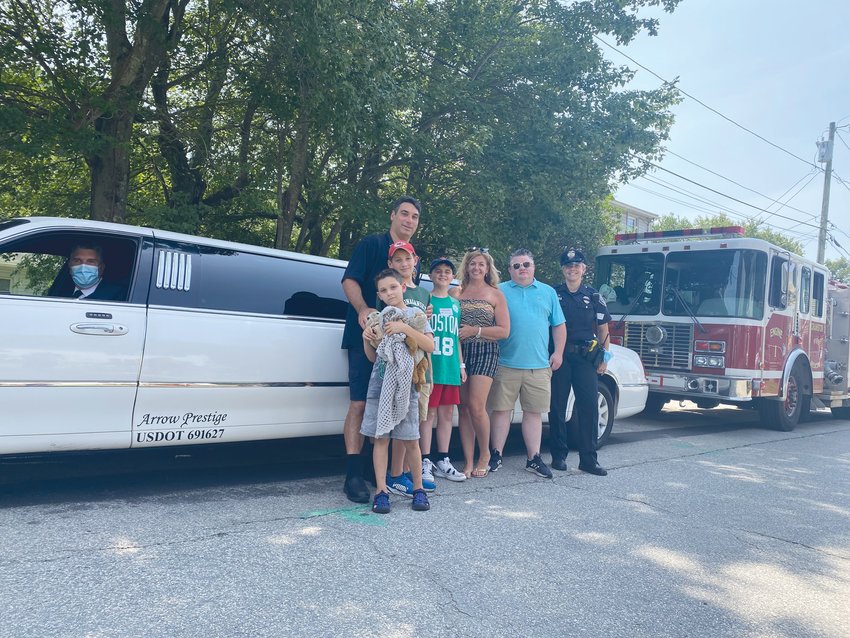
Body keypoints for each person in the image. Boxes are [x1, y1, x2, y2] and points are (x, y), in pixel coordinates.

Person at [340, 196, 421, 503]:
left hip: (403, 347)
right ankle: (353, 474)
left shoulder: (410, 258)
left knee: (399, 405)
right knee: (361, 403)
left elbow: (413, 294)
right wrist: (363, 311)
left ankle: (386, 475)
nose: (409, 220)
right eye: (404, 214)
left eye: (414, 216)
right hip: (367, 337)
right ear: (393, 215)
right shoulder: (371, 245)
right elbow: (349, 281)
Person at [361, 269, 434, 514]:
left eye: (393, 287)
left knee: (411, 439)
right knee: (380, 439)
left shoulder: (417, 315)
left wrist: (405, 329)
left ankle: (418, 489)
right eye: (383, 290)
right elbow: (373, 357)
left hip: (407, 385)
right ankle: (381, 491)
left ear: (403, 287)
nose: (389, 293)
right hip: (380, 384)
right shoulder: (376, 319)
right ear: (379, 295)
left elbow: (429, 345)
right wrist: (366, 338)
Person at [488, 248, 565, 479]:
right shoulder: (498, 291)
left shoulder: (548, 292)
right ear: (510, 269)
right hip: (505, 363)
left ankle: (533, 458)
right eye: (517, 266)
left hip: (539, 366)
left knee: (533, 413)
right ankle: (496, 455)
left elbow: (558, 325)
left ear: (534, 267)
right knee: (501, 411)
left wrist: (558, 352)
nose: (522, 269)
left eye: (526, 264)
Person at [376, 240, 434, 496]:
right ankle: (396, 475)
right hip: (392, 370)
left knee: (411, 427)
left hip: (418, 370)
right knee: (397, 428)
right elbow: (379, 334)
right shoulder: (386, 302)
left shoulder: (422, 294)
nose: (403, 264)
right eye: (397, 260)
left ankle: (407, 475)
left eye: (407, 259)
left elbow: (427, 336)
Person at [548, 248, 612, 476]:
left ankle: (588, 458)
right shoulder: (553, 294)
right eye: (568, 265)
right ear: (563, 269)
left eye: (576, 265)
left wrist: (604, 357)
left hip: (586, 359)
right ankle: (558, 456)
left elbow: (604, 329)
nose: (572, 269)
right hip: (560, 356)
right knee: (557, 406)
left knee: (588, 407)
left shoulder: (594, 296)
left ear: (584, 269)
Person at [450, 248, 509, 477]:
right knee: (462, 409)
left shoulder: (495, 294)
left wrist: (475, 330)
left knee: (476, 406)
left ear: (487, 269)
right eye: (473, 264)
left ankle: (485, 453)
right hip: (460, 353)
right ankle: (467, 459)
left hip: (485, 351)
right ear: (466, 266)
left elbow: (504, 330)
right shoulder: (456, 292)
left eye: (481, 265)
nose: (476, 268)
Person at [421, 257, 468, 484]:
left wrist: (461, 365)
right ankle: (424, 460)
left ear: (452, 276)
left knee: (447, 415)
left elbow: (456, 338)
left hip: (449, 366)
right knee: (428, 415)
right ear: (431, 276)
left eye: (447, 271)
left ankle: (443, 459)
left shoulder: (455, 304)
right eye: (437, 271)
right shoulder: (426, 300)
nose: (442, 274)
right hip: (431, 367)